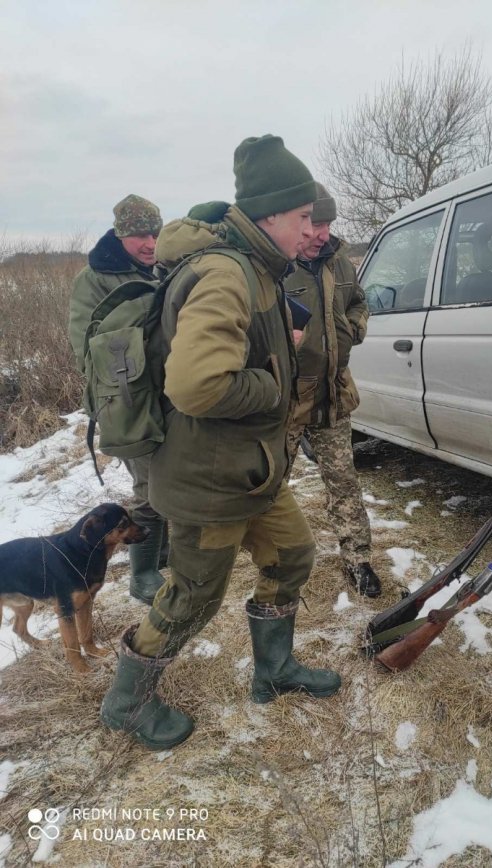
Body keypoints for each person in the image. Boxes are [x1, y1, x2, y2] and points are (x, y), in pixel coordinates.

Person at [100, 135, 341, 751]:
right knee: (191, 598)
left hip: (251, 472)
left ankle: (274, 669)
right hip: (209, 480)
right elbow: (197, 385)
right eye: (302, 218)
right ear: (270, 217)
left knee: (292, 556)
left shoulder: (255, 268)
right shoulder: (227, 273)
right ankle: (126, 702)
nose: (310, 229)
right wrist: (270, 386)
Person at [68, 195, 168, 605]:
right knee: (148, 486)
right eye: (140, 234)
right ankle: (143, 574)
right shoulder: (93, 279)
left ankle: (163, 554)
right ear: (121, 234)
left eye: (155, 233)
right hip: (125, 400)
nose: (150, 242)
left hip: (167, 394)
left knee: (171, 479)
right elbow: (86, 348)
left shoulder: (164, 268)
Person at [284, 184, 381, 599]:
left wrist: (353, 327)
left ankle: (358, 559)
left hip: (334, 392)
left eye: (328, 224)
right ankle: (273, 558)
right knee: (271, 484)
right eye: (315, 224)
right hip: (285, 399)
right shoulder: (274, 264)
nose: (322, 234)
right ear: (299, 223)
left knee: (343, 480)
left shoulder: (340, 260)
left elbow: (359, 302)